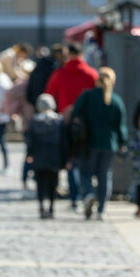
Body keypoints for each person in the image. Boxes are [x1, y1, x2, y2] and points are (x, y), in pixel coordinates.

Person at [44, 43, 98, 211]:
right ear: (81, 54)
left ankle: (75, 198)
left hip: (66, 122)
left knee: (70, 162)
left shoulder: (59, 74)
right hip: (88, 124)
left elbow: (49, 96)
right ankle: (87, 191)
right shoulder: (91, 74)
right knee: (86, 160)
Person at [72, 67, 127, 220]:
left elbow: (75, 114)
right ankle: (101, 209)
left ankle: (89, 194)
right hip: (109, 144)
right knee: (104, 176)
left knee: (85, 173)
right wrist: (122, 142)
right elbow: (121, 125)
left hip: (88, 142)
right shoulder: (116, 100)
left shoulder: (87, 96)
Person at [25, 94, 67, 219]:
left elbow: (30, 141)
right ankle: (52, 208)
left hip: (39, 157)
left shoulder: (34, 121)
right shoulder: (59, 121)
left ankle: (42, 206)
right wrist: (65, 158)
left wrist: (29, 155)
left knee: (40, 183)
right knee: (53, 183)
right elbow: (64, 142)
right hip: (55, 157)